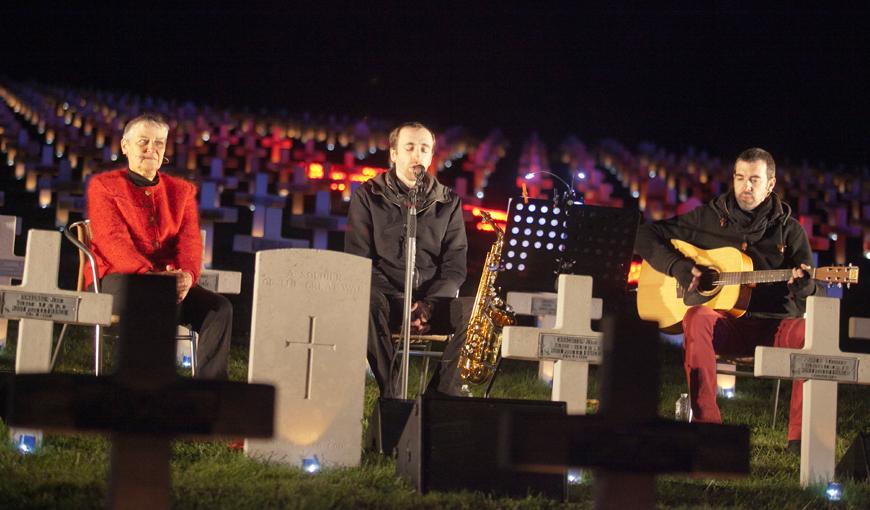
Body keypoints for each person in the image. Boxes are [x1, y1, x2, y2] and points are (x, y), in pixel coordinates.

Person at [635, 147, 818, 452]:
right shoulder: (707, 218)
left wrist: (804, 284)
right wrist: (679, 267)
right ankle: (708, 429)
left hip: (776, 327)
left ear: (770, 184)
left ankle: (799, 439)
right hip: (728, 327)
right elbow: (644, 235)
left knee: (809, 336)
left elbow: (808, 290)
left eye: (754, 180)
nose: (746, 186)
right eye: (740, 177)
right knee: (696, 317)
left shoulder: (791, 231)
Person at [85, 113, 232, 379]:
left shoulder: (182, 191)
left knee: (219, 309)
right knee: (159, 295)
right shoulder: (104, 187)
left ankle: (210, 393)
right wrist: (153, 277)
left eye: (159, 143)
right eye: (143, 141)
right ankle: (151, 389)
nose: (151, 149)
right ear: (125, 146)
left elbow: (189, 242)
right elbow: (112, 242)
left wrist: (187, 276)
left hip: (171, 284)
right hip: (117, 280)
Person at [345, 121, 473, 398]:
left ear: (430, 156)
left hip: (431, 305)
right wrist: (402, 302)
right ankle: (393, 395)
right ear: (394, 154)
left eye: (424, 149)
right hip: (385, 302)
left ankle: (439, 398)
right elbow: (359, 259)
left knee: (477, 311)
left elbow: (455, 264)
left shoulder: (448, 201)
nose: (418, 154)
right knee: (364, 300)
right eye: (410, 147)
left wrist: (428, 304)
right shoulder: (368, 196)